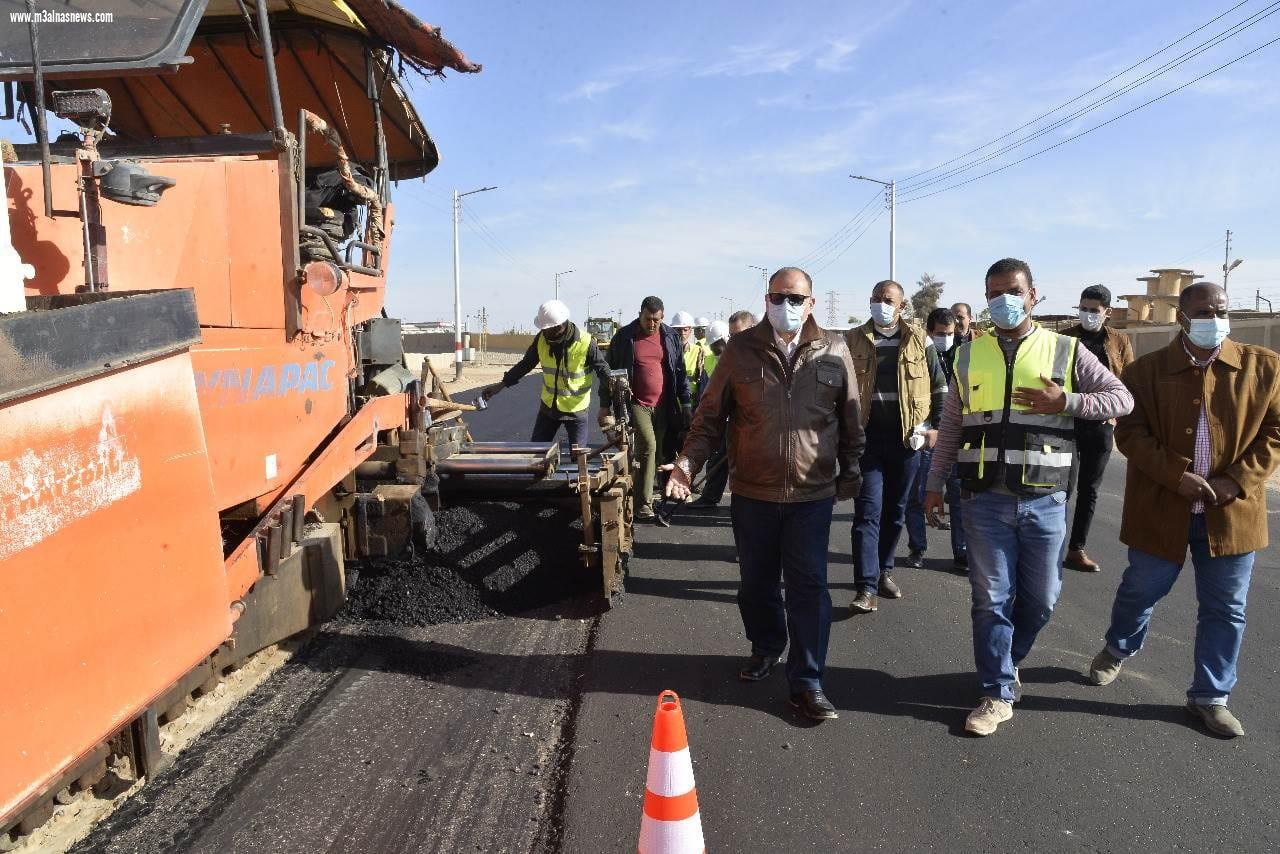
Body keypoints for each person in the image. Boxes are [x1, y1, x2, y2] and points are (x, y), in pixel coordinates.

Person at [923, 258, 1133, 737]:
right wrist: (934, 484)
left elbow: (1122, 398)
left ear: (1033, 295)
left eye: (1012, 291)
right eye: (993, 293)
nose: (1003, 301)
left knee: (1042, 600)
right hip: (982, 500)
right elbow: (952, 425)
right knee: (990, 597)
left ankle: (1009, 659)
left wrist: (1069, 403)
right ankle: (996, 692)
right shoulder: (968, 355)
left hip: (1044, 499)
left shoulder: (1067, 350)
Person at [665, 268, 863, 721]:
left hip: (811, 495)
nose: (787, 305)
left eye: (796, 298)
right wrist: (686, 464)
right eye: (778, 296)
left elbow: (851, 419)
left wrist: (851, 472)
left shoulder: (834, 349)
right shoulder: (741, 350)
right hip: (753, 492)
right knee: (756, 583)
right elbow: (709, 418)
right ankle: (767, 645)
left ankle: (808, 681)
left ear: (811, 303)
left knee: (809, 587)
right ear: (766, 299)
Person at [1088, 283, 1280, 738]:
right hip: (1161, 509)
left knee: (1226, 609)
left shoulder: (1264, 368)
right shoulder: (1146, 371)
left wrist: (1236, 480)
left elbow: (1276, 431)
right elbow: (1129, 433)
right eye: (1203, 311)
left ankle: (1210, 697)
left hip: (1232, 514)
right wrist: (1176, 475)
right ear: (1182, 317)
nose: (1214, 317)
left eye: (1221, 309)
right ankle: (1117, 647)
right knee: (1140, 591)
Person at [845, 280, 947, 613]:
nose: (880, 305)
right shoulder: (853, 340)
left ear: (901, 306)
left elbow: (940, 388)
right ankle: (866, 587)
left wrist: (934, 428)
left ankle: (885, 570)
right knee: (867, 512)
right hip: (867, 440)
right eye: (875, 299)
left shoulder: (920, 340)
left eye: (887, 300)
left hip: (907, 441)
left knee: (896, 511)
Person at [1059, 284, 1134, 572]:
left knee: (1090, 489)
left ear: (1107, 312)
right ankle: (1051, 544)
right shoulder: (1065, 338)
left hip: (1100, 427)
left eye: (1094, 310)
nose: (1088, 315)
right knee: (1062, 487)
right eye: (1084, 308)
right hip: (1066, 421)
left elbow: (1127, 381)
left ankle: (1076, 549)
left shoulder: (1119, 341)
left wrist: (1115, 416)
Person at [480, 299, 613, 445]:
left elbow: (603, 371)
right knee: (536, 452)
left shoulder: (586, 343)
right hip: (548, 408)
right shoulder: (541, 339)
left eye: (550, 330)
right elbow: (526, 364)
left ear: (561, 325)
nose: (546, 334)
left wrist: (608, 402)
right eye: (544, 330)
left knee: (579, 458)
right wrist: (501, 385)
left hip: (576, 410)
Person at [607, 297, 691, 521]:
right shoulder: (625, 337)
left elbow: (680, 371)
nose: (651, 324)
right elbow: (610, 373)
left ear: (662, 317)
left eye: (656, 320)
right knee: (649, 447)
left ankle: (663, 495)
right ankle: (643, 504)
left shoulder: (670, 337)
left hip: (664, 405)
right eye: (647, 319)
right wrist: (605, 406)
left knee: (664, 450)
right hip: (637, 403)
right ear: (640, 314)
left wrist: (686, 403)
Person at [905, 307, 968, 572]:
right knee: (917, 496)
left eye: (950, 334)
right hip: (925, 436)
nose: (946, 338)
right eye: (940, 334)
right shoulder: (917, 355)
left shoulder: (965, 357)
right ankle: (917, 548)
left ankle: (962, 552)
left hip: (956, 437)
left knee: (958, 496)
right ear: (930, 332)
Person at [690, 311, 757, 510]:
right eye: (732, 336)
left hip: (755, 425)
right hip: (729, 420)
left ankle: (751, 505)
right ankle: (710, 497)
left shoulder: (763, 355)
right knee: (718, 457)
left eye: (738, 335)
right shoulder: (725, 357)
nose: (734, 340)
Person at [671, 311, 711, 399]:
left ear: (690, 330)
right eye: (678, 330)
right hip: (671, 403)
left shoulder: (698, 351)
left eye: (685, 330)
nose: (682, 333)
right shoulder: (666, 350)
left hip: (691, 403)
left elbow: (701, 380)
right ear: (673, 330)